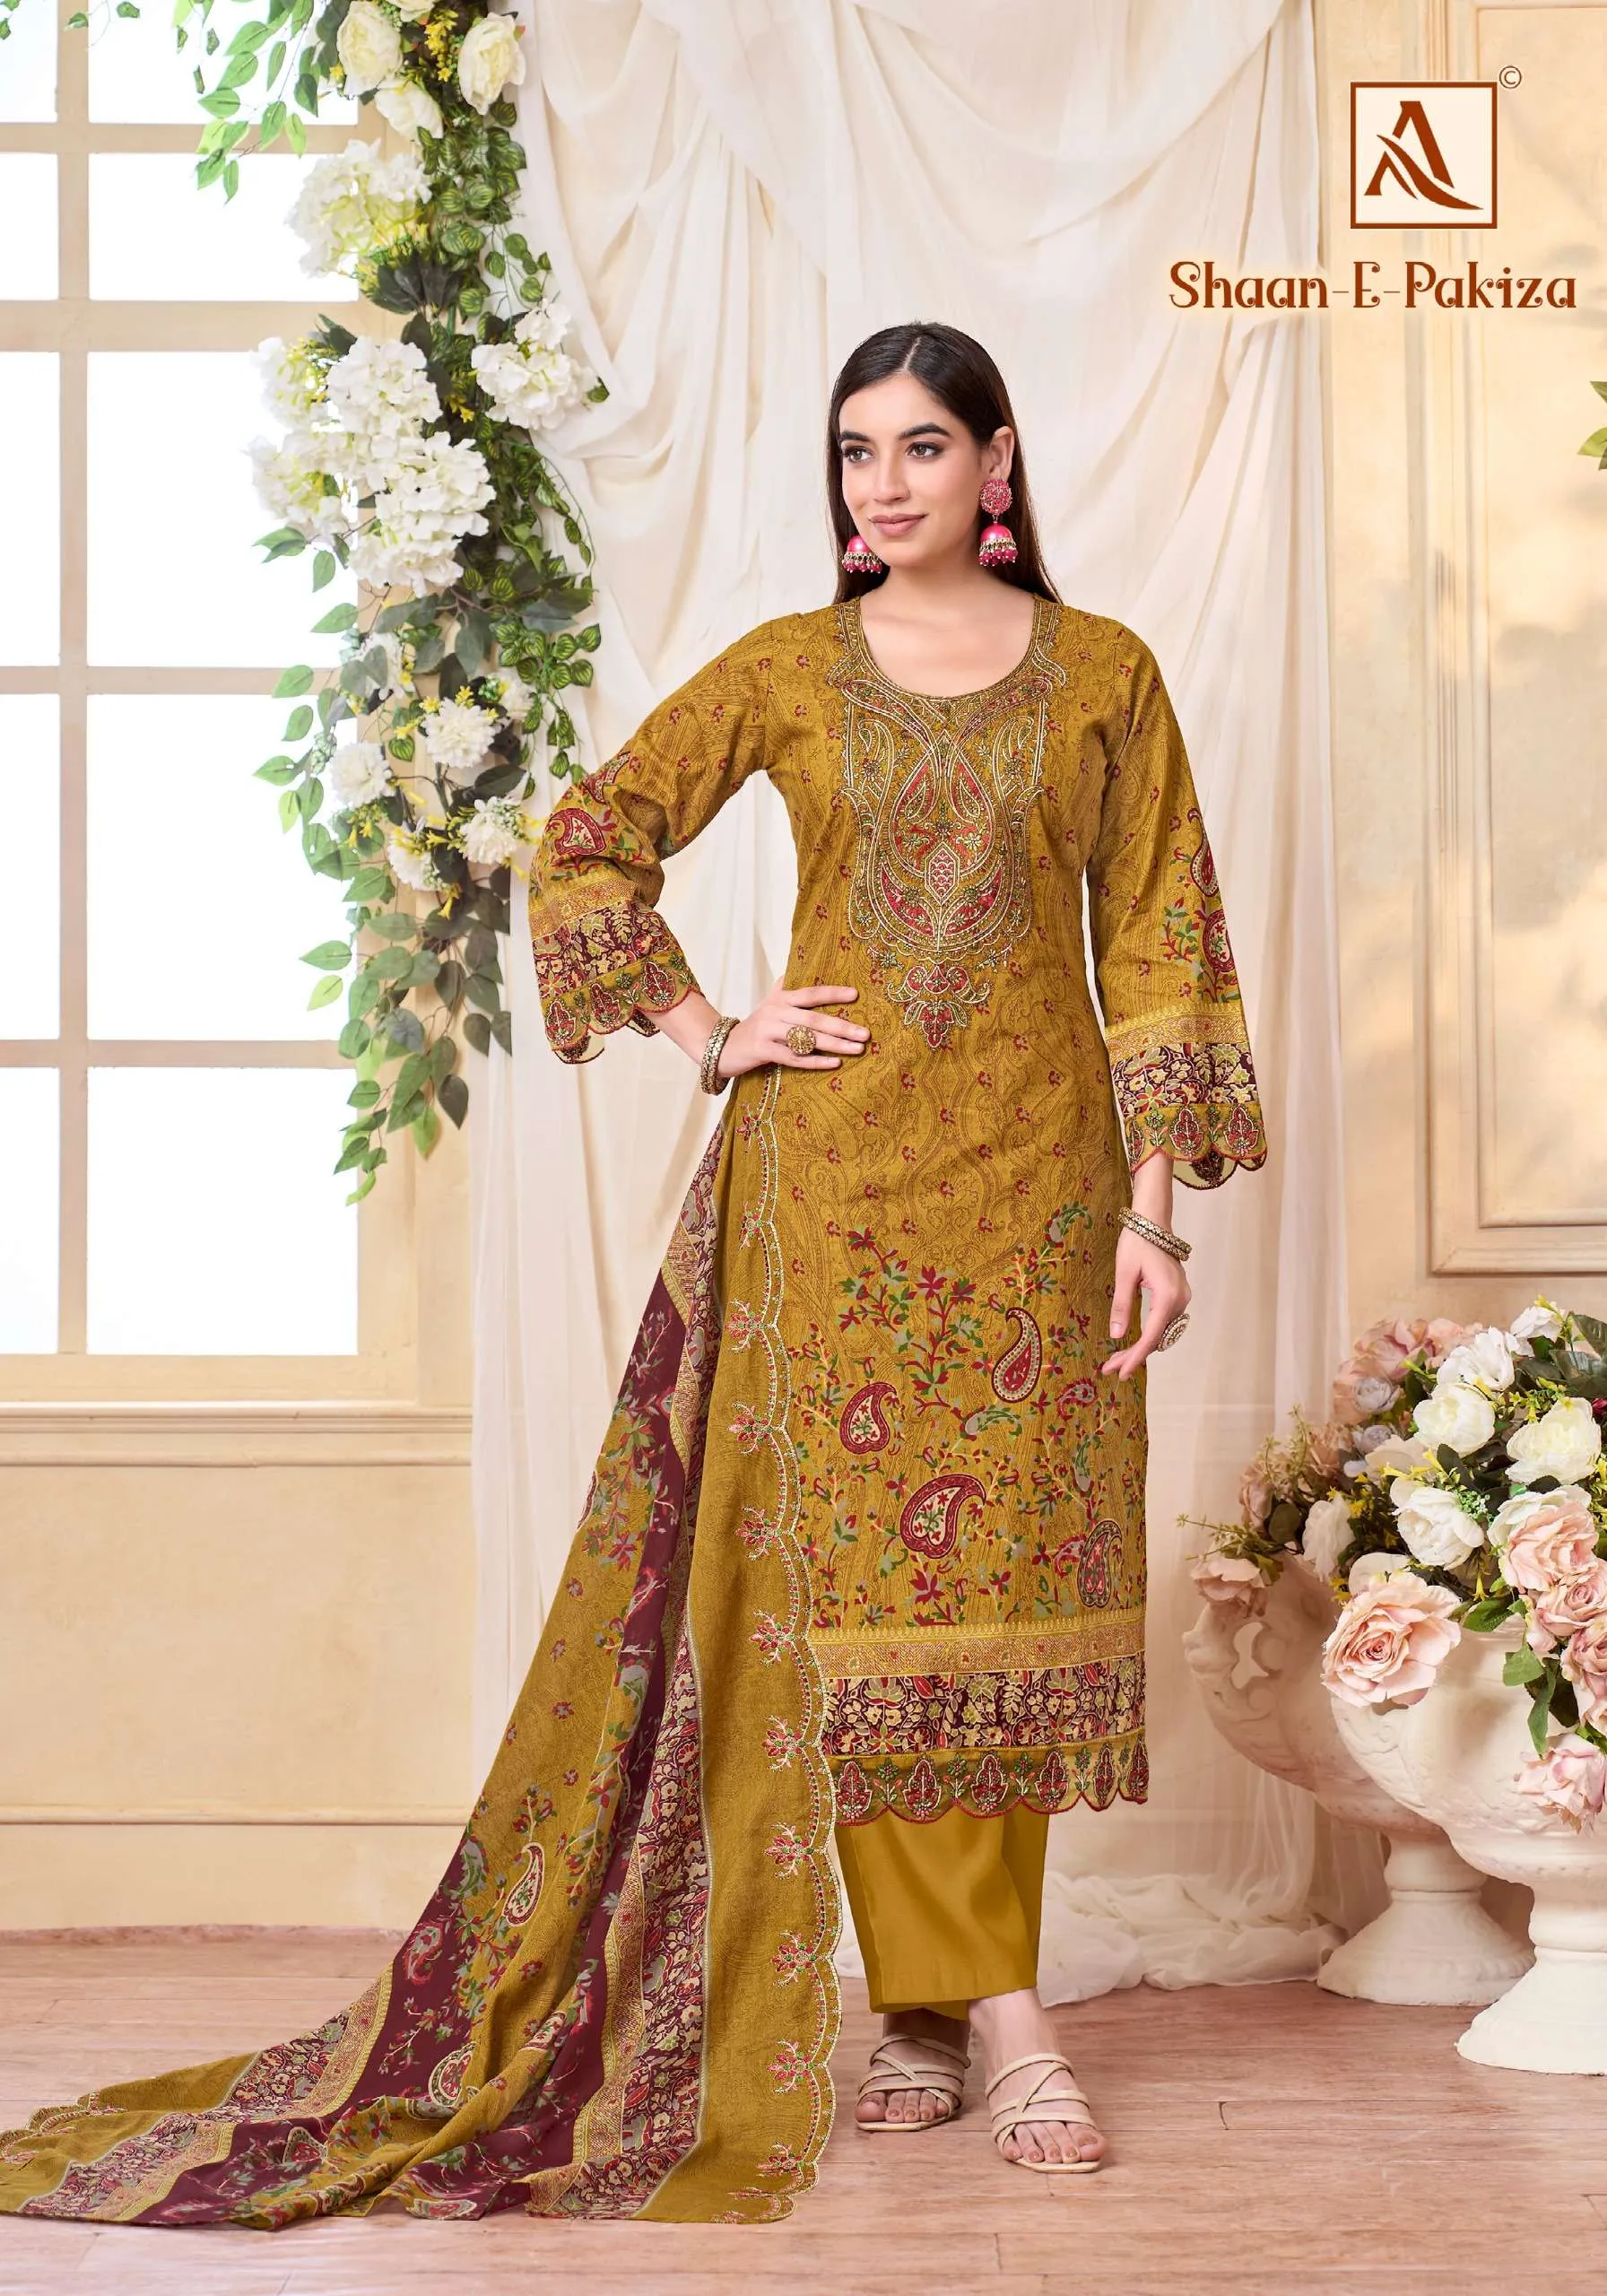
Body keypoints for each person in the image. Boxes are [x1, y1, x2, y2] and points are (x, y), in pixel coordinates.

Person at [0, 323, 1264, 2231]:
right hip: (836, 1199)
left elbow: (1161, 935)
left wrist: (1150, 1214)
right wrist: (709, 1027)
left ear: (998, 463)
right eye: (856, 451)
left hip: (1040, 1198)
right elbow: (589, 844)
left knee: (1003, 1599)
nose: (883, 486)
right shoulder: (790, 669)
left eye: (922, 448)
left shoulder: (1105, 675)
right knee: (865, 1609)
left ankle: (928, 2008)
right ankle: (1006, 2021)